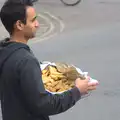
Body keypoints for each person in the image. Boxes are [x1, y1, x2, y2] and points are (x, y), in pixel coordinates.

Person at [0, 0, 97, 120]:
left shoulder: (5, 51)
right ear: (19, 25)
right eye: (33, 20)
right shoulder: (26, 61)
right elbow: (44, 104)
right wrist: (77, 91)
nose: (37, 24)